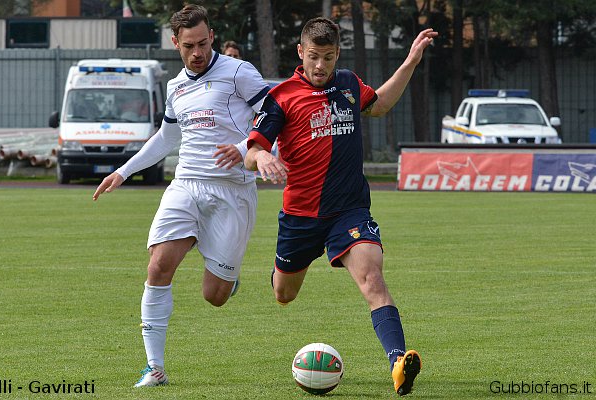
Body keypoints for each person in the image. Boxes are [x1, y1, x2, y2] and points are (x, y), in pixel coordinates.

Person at [244, 18, 437, 396]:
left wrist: (410, 62)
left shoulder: (348, 83)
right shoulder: (281, 97)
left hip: (349, 212)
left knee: (373, 280)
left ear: (337, 56)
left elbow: (378, 105)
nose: (320, 66)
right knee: (284, 294)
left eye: (328, 58)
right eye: (314, 57)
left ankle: (398, 362)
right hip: (300, 217)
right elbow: (252, 150)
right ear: (301, 53)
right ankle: (279, 271)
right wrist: (262, 158)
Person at [92, 4, 269, 388]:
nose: (198, 52)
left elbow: (273, 117)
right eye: (189, 45)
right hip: (186, 183)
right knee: (158, 266)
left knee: (215, 296)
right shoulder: (175, 87)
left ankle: (227, 277)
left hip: (233, 192)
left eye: (204, 43)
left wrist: (242, 149)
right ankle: (154, 367)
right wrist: (123, 171)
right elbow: (167, 139)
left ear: (212, 37)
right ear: (176, 42)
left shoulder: (240, 73)